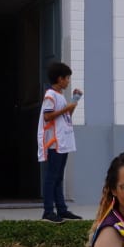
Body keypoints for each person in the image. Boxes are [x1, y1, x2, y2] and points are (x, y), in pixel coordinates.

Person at [39, 62, 83, 223]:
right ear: (60, 79)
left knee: (58, 177)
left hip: (63, 141)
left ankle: (62, 209)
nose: (68, 81)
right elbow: (47, 116)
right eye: (67, 78)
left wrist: (74, 102)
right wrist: (66, 107)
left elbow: (66, 116)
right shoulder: (50, 95)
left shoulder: (60, 96)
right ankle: (48, 211)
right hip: (55, 142)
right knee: (52, 177)